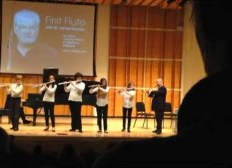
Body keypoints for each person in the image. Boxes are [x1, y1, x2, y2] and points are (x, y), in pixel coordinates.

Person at [92, 1, 232, 167]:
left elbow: (155, 93)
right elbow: (138, 94)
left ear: (204, 36)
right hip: (153, 105)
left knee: (157, 120)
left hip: (158, 106)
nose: (157, 83)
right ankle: (155, 129)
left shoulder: (122, 159)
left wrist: (151, 91)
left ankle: (157, 130)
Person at [4, 9, 59, 73]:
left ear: (38, 29)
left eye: (32, 27)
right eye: (23, 27)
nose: (28, 31)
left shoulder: (50, 53)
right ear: (15, 29)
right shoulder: (5, 52)